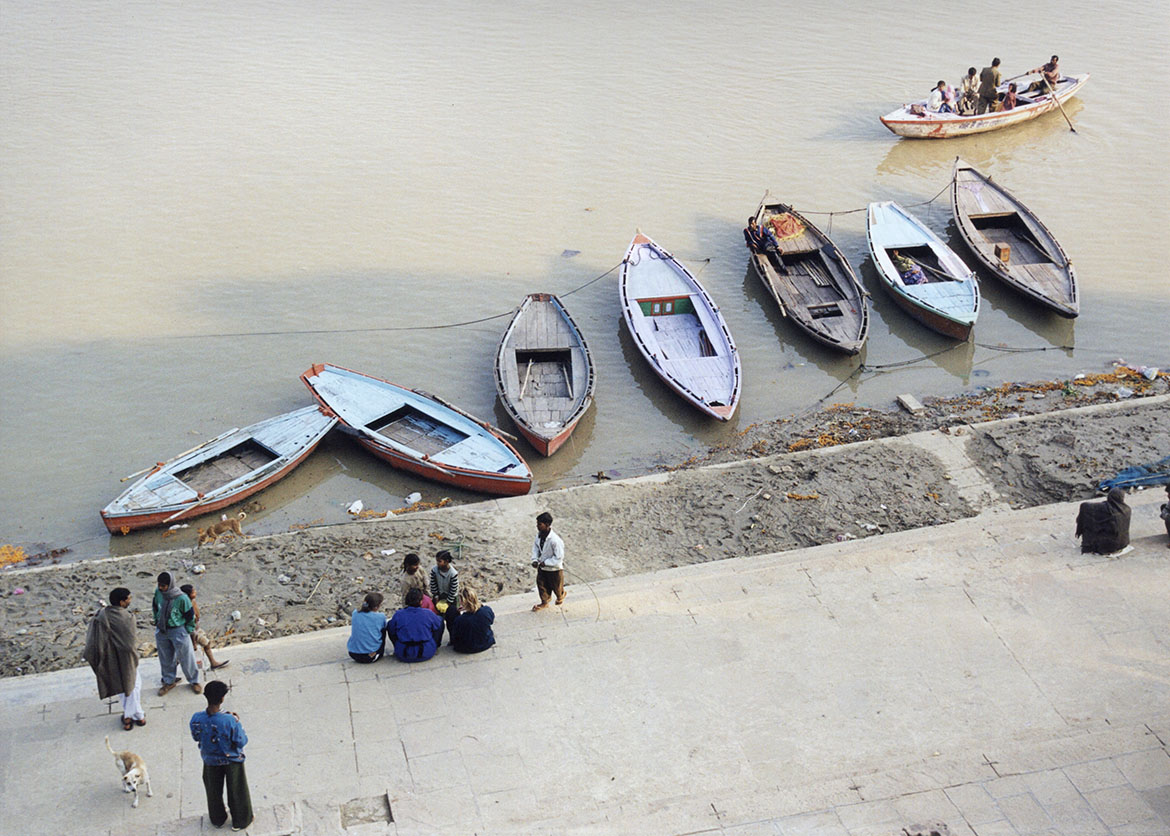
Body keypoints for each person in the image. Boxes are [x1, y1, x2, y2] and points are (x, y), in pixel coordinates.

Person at [190, 680, 253, 832]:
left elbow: (196, 737)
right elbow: (241, 741)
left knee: (213, 790)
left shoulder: (196, 719)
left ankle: (217, 819)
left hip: (210, 759)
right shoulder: (229, 720)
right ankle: (240, 820)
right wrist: (237, 721)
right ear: (222, 698)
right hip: (231, 760)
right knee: (237, 789)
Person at [83, 587, 145, 731]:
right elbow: (130, 644)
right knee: (133, 686)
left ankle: (129, 716)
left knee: (122, 688)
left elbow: (93, 642)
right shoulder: (127, 617)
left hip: (109, 659)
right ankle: (136, 717)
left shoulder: (100, 615)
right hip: (126, 659)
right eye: (129, 598)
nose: (130, 600)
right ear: (122, 602)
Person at [153, 572, 200, 696]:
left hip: (178, 630)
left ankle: (194, 681)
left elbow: (190, 616)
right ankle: (169, 681)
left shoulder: (181, 598)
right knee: (165, 657)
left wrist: (188, 631)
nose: (161, 588)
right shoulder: (158, 593)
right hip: (162, 630)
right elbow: (155, 606)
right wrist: (157, 620)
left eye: (164, 586)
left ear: (171, 585)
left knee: (186, 656)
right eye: (159, 585)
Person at [386, 588, 444, 662]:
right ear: (420, 602)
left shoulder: (399, 615)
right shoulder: (428, 613)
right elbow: (437, 625)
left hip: (403, 653)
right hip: (426, 652)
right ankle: (436, 645)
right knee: (440, 620)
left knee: (390, 624)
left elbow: (391, 630)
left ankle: (397, 646)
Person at [180, 584, 229, 671]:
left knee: (206, 644)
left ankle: (213, 662)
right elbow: (189, 622)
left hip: (196, 628)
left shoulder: (193, 602)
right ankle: (169, 674)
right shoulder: (185, 605)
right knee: (182, 654)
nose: (195, 592)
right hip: (190, 631)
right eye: (193, 591)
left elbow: (196, 616)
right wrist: (193, 642)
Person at [1075, 487, 1132, 555]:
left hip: (1107, 547)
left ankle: (1090, 546)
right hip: (1123, 543)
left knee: (1089, 521)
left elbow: (1085, 506)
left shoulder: (1105, 510)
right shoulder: (1127, 509)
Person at [531, 511, 566, 611]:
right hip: (542, 568)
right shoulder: (539, 536)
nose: (537, 526)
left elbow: (559, 557)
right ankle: (544, 602)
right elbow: (536, 548)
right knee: (541, 584)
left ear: (547, 525)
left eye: (539, 524)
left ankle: (561, 595)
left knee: (557, 587)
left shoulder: (555, 540)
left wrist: (546, 563)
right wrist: (534, 559)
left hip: (554, 569)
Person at [449, 586, 496, 654]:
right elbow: (491, 621)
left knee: (451, 611)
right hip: (485, 643)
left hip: (465, 648)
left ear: (462, 602)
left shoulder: (460, 620)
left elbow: (455, 634)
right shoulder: (486, 611)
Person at [347, 592, 389, 663]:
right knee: (383, 630)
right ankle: (379, 652)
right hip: (370, 656)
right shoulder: (380, 617)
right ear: (376, 606)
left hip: (353, 653)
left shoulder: (355, 613)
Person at [428, 549, 459, 633]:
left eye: (439, 561)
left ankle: (452, 637)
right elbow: (433, 584)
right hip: (439, 595)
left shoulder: (453, 574)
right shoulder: (434, 570)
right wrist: (436, 596)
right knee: (437, 618)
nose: (437, 563)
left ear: (446, 562)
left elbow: (453, 589)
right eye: (437, 561)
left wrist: (448, 603)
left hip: (451, 598)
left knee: (451, 619)